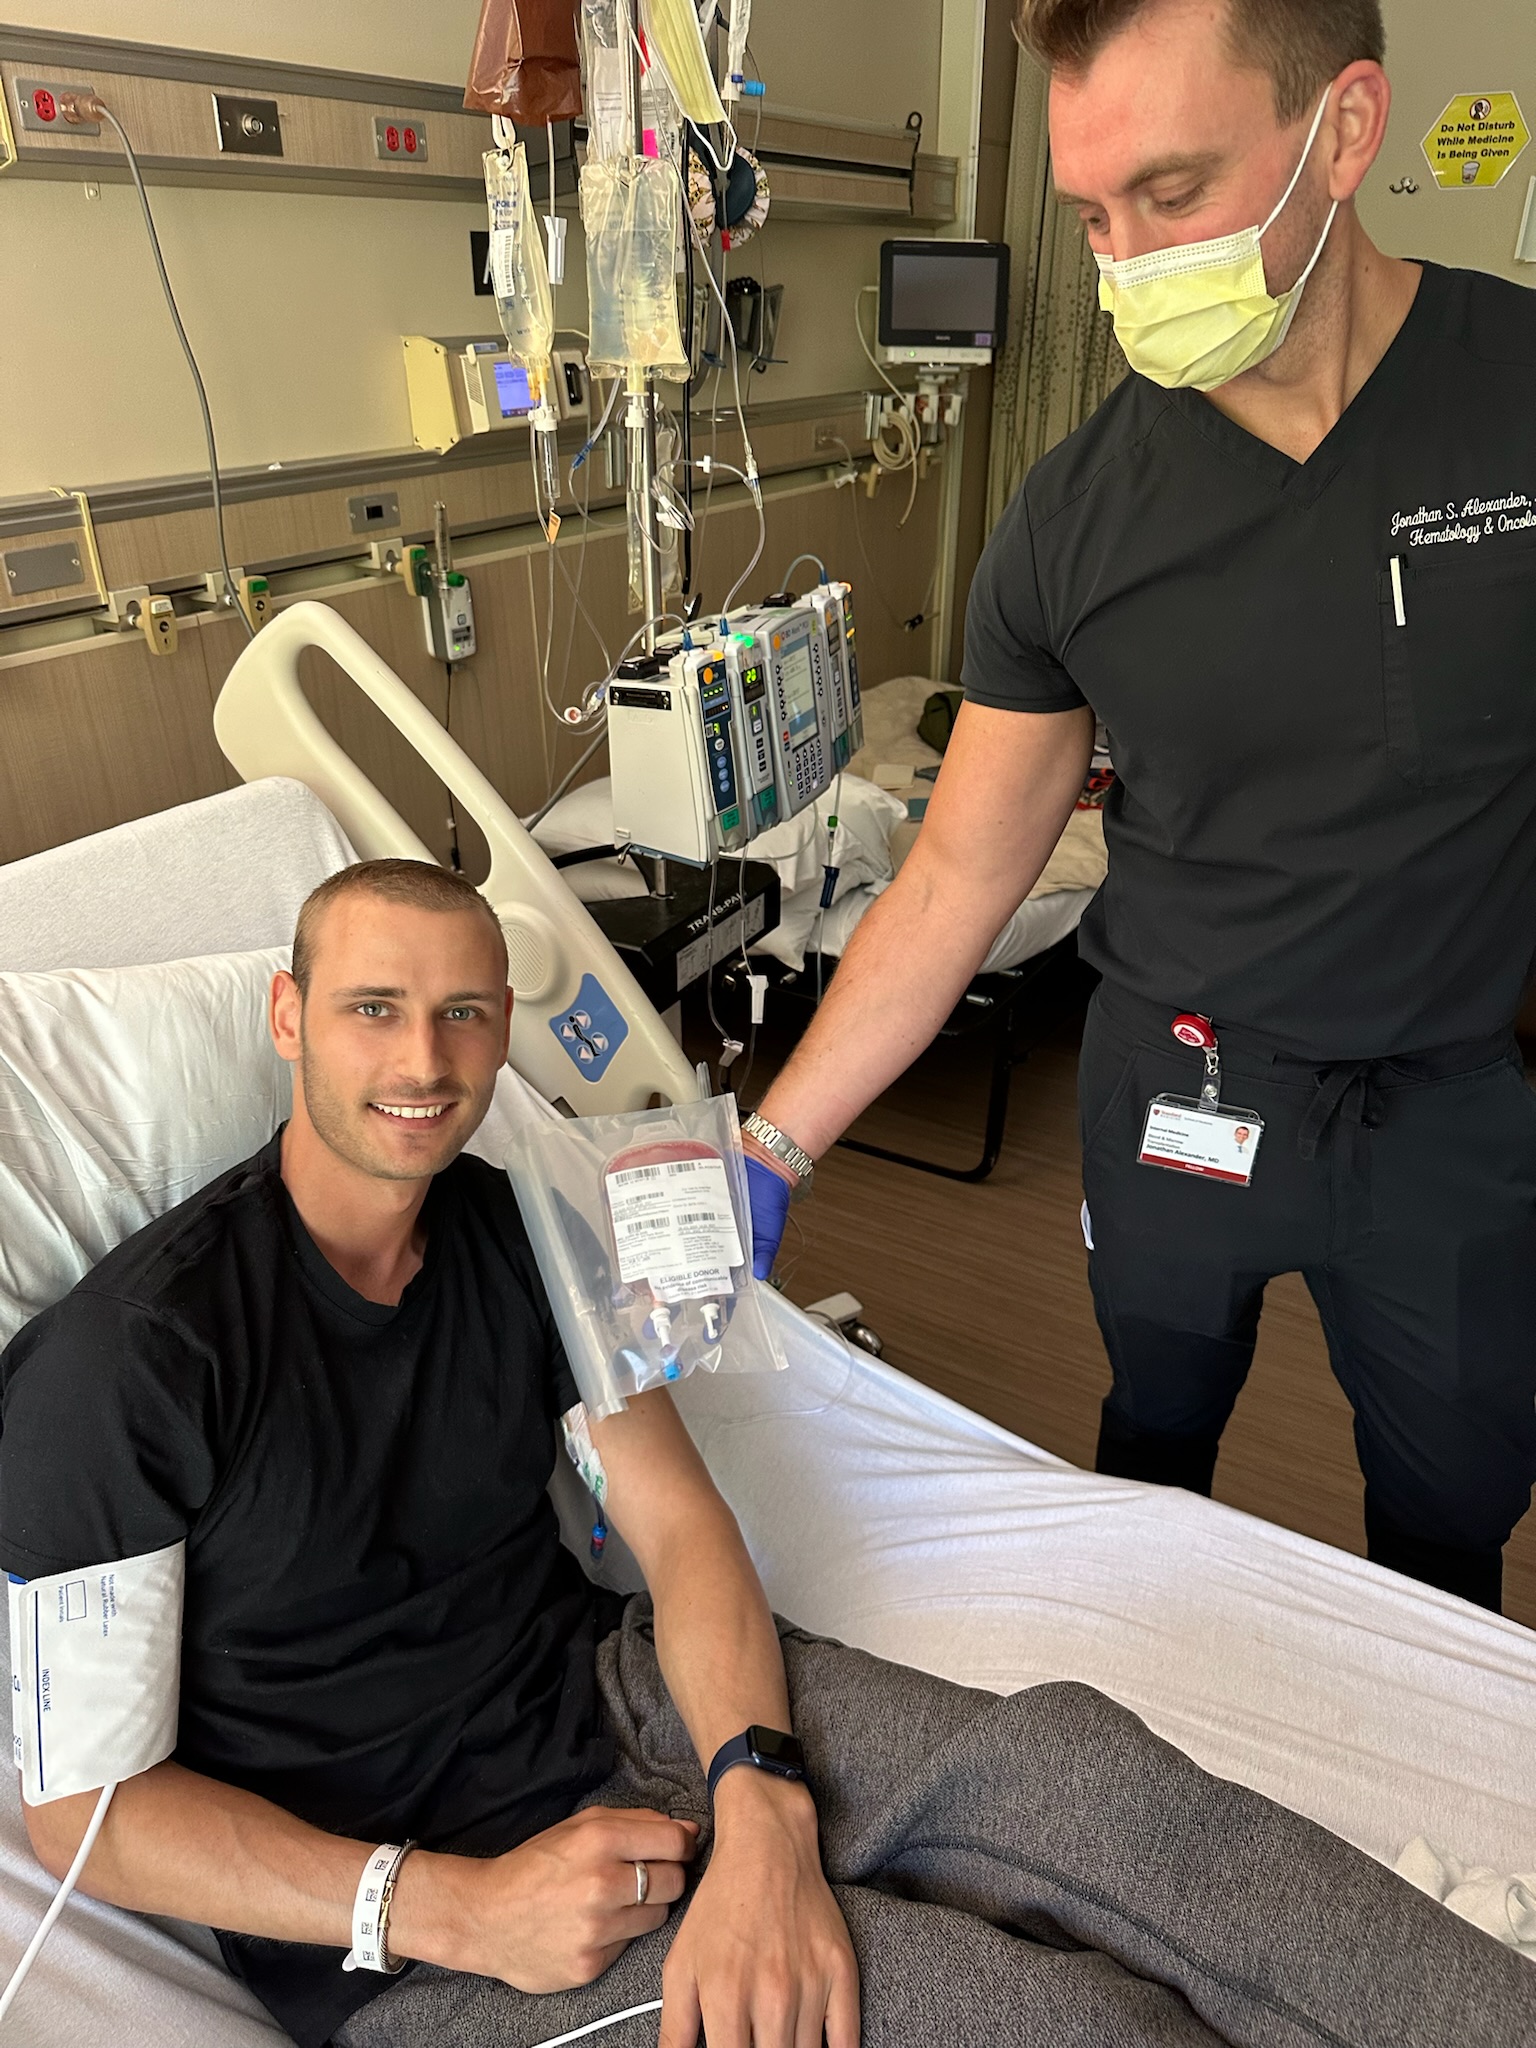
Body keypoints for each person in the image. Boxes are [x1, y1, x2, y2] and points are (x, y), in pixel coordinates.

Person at [3, 860, 1530, 2048]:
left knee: (1098, 1785)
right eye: (373, 1008)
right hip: (411, 1921)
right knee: (1025, 2017)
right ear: (287, 1019)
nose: (428, 1057)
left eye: (467, 1011)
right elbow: (86, 1813)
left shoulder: (513, 1237)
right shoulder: (135, 1363)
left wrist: (762, 1795)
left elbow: (676, 1529)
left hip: (621, 1702)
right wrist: (454, 1911)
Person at [741, 0, 1536, 1615]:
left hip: (1454, 1105)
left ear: (1348, 129)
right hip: (1186, 1082)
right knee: (1154, 1432)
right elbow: (962, 869)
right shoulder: (1073, 522)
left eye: (1170, 196)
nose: (1126, 265)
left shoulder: (1517, 396)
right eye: (1095, 215)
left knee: (1451, 1515)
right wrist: (771, 1143)